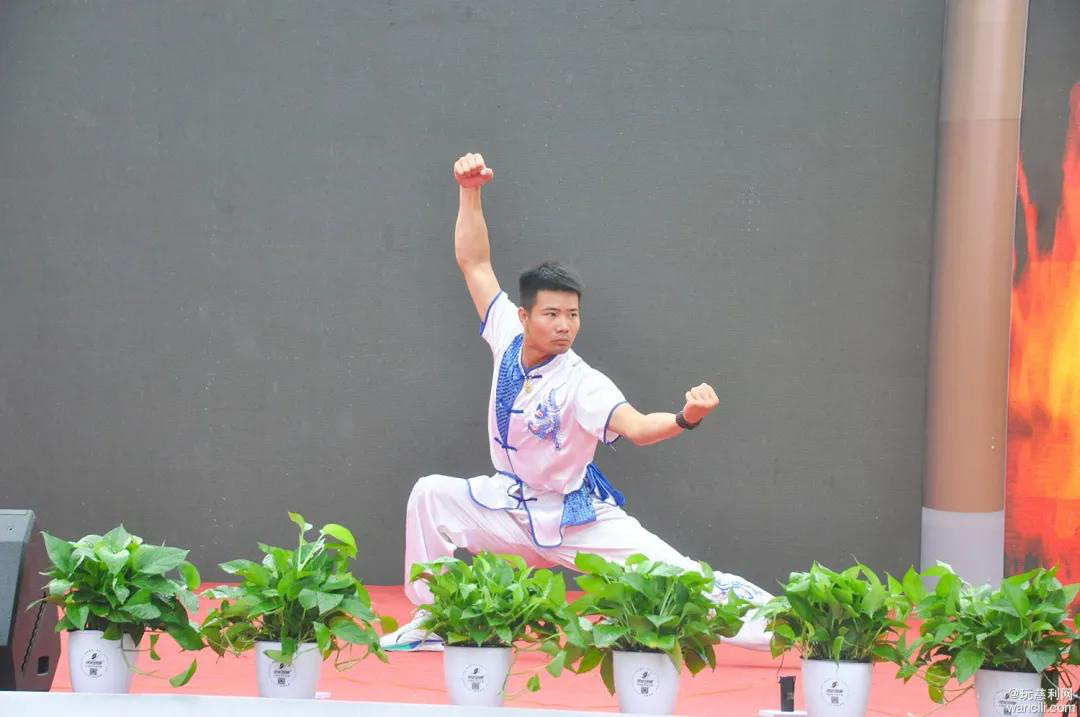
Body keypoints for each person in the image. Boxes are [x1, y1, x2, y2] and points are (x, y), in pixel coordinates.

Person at [380, 152, 772, 651]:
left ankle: (782, 627)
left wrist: (685, 417)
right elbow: (474, 263)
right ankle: (432, 617)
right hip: (506, 507)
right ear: (524, 316)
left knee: (679, 578)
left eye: (573, 314)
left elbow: (637, 428)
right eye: (552, 314)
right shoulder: (505, 332)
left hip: (573, 518)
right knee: (430, 494)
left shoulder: (583, 383)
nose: (565, 325)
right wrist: (469, 189)